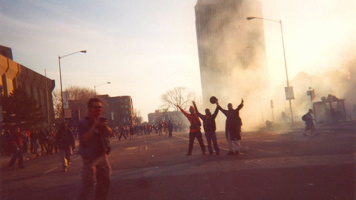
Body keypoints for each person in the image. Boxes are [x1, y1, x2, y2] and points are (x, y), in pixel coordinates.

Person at [78, 98, 112, 200]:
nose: (98, 109)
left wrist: (104, 127)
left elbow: (110, 133)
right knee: (89, 185)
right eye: (95, 107)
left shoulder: (101, 120)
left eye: (100, 107)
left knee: (105, 181)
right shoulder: (83, 123)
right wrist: (94, 124)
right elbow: (85, 138)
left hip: (102, 155)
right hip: (89, 158)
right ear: (89, 108)